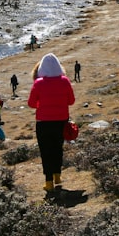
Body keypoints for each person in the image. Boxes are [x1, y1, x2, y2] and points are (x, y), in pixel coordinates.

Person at [27, 53, 75, 192]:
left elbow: (31, 103)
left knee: (45, 151)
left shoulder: (38, 83)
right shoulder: (65, 81)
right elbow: (71, 101)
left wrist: (42, 105)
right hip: (61, 121)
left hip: (43, 122)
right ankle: (57, 175)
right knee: (57, 148)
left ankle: (48, 182)